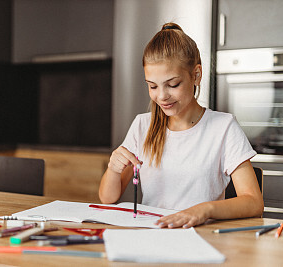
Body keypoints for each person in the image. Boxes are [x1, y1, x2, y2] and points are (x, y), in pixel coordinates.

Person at [99, 22, 264, 229]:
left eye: (173, 84)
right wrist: (113, 168)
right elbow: (108, 198)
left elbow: (254, 202)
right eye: (152, 86)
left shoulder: (223, 127)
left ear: (196, 75)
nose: (161, 96)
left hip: (201, 237)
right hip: (152, 235)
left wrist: (205, 210)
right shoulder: (142, 125)